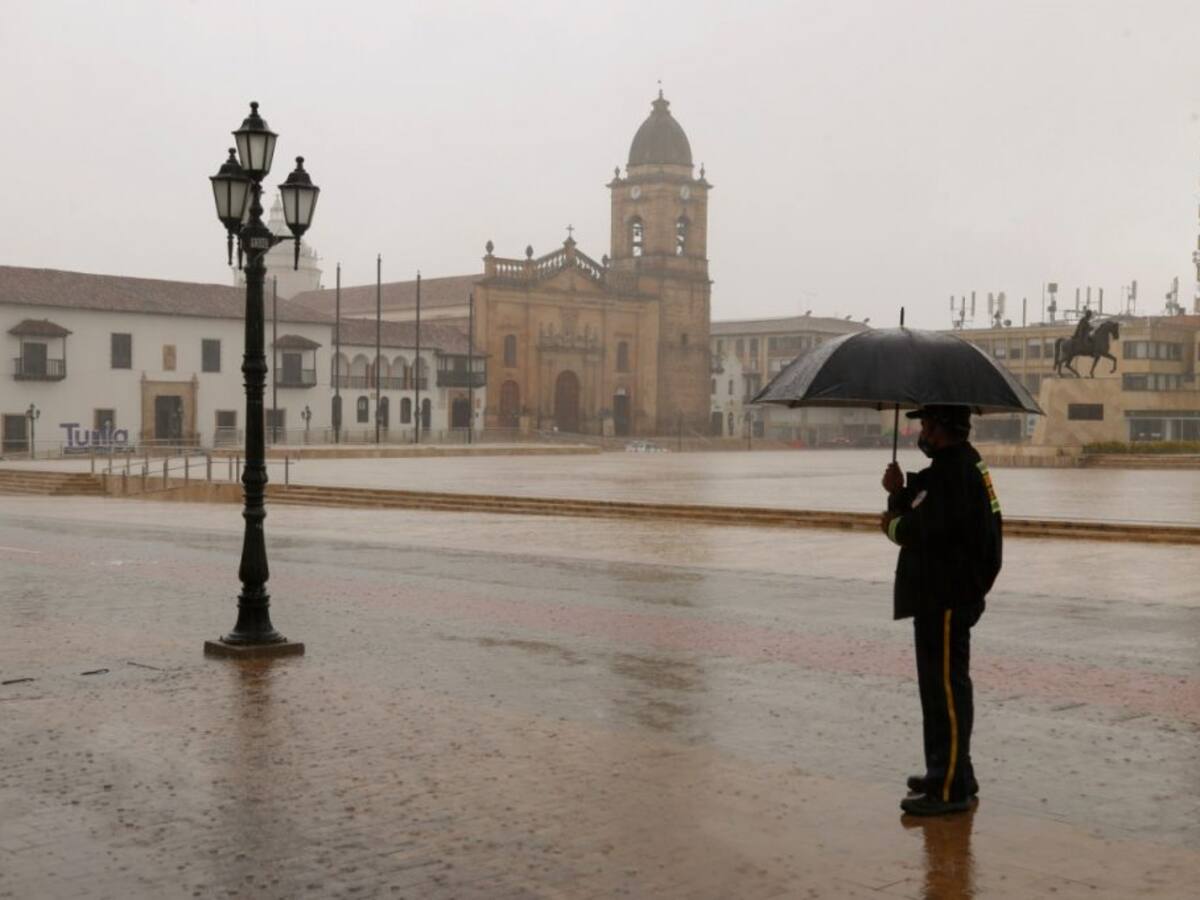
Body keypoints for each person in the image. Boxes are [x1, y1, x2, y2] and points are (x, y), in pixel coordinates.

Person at [880, 405, 1003, 816]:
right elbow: (920, 503)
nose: (920, 432)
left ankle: (949, 788)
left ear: (941, 428)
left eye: (925, 425)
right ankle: (950, 772)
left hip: (946, 595)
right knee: (941, 690)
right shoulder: (959, 465)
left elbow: (918, 528)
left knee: (945, 692)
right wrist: (896, 492)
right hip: (947, 592)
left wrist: (890, 523)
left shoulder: (955, 472)